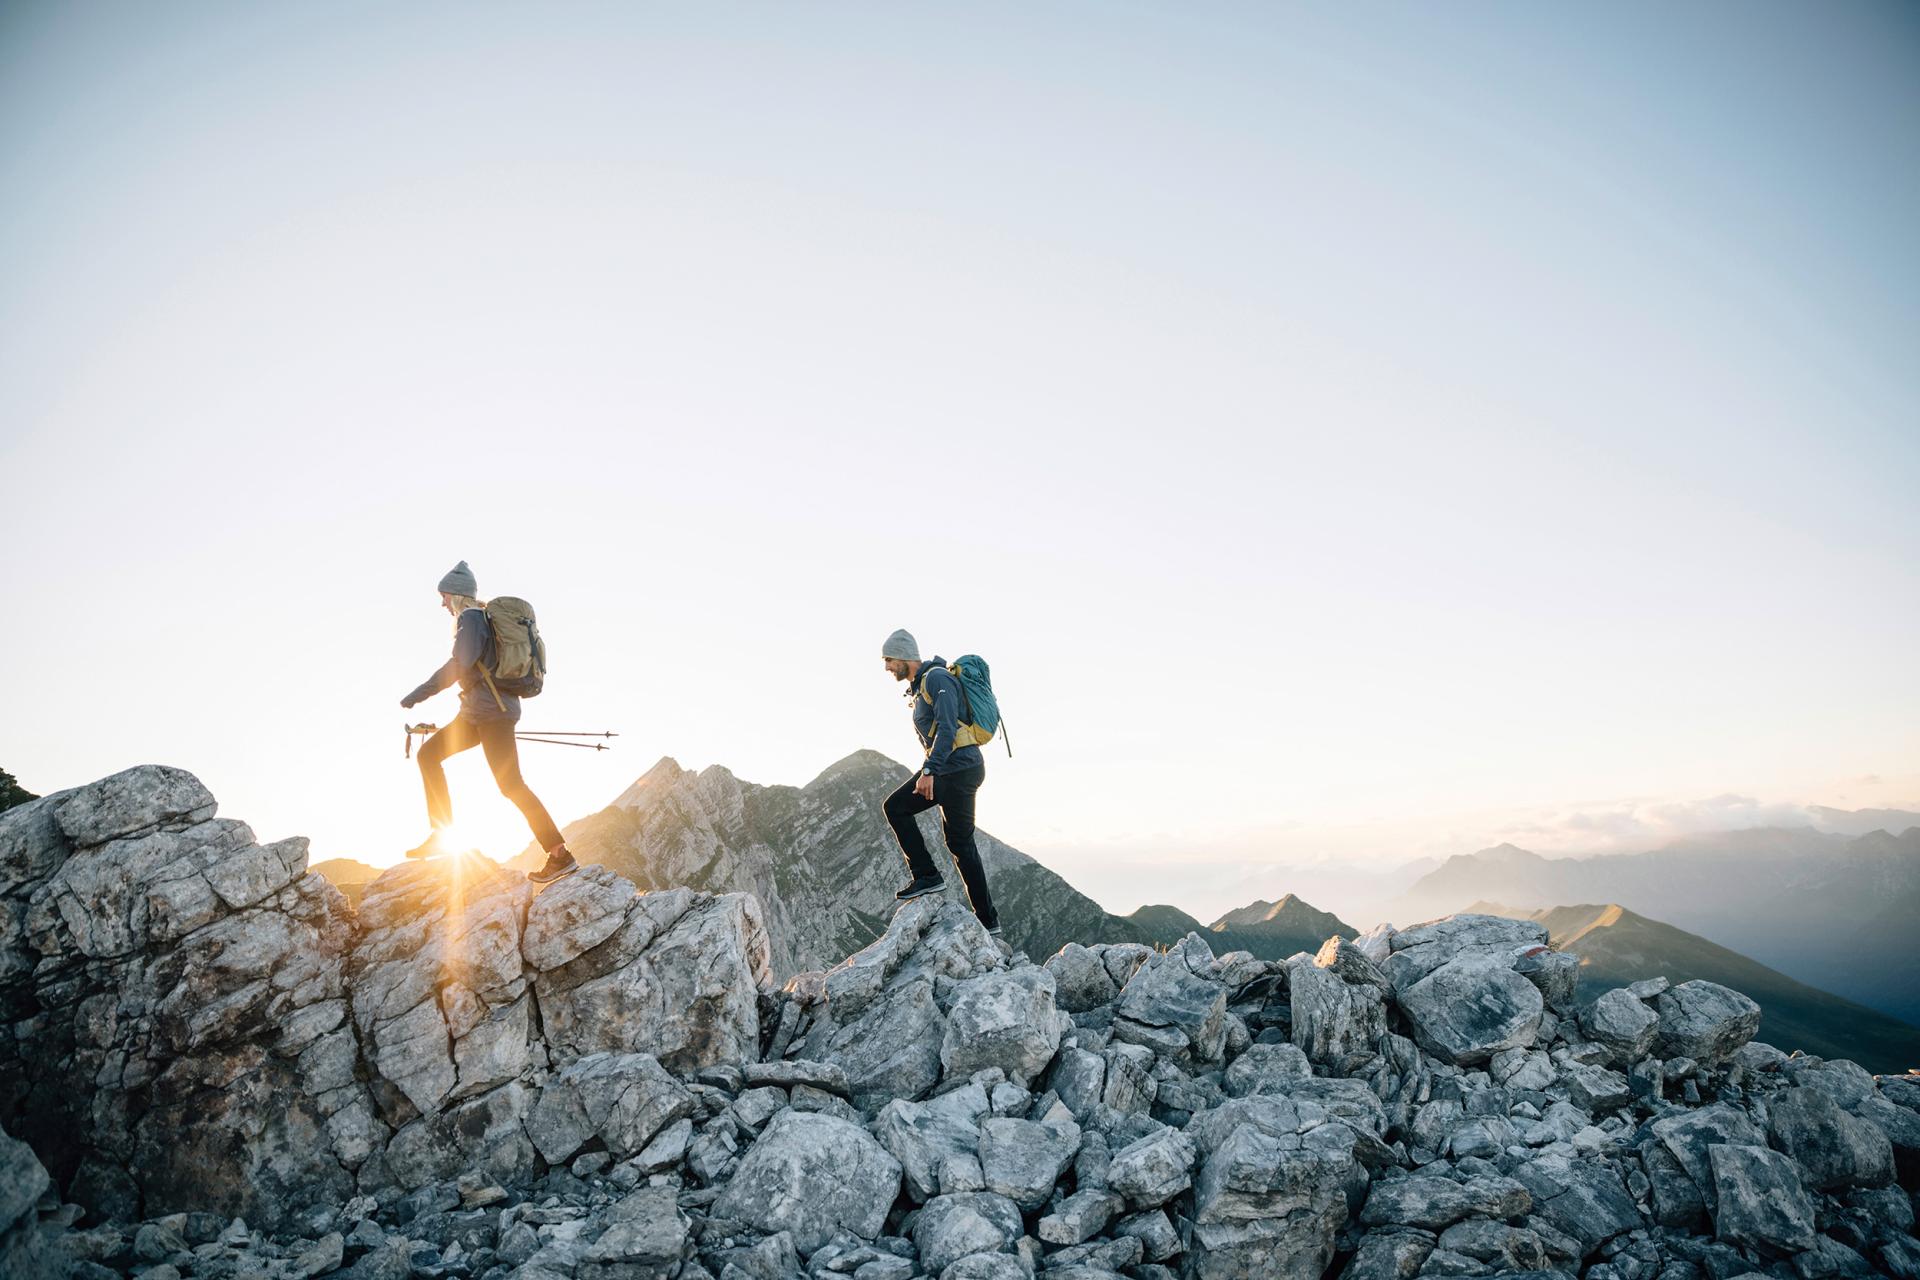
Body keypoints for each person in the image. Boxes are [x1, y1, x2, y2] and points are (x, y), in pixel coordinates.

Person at [400, 561, 578, 884]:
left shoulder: (470, 619)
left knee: (511, 784)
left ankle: (560, 855)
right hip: (479, 714)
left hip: (491, 714)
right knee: (429, 757)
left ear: (455, 595)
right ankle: (442, 834)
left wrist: (418, 693)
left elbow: (458, 666)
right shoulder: (477, 621)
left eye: (443, 596)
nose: (441, 604)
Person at [880, 628, 1000, 936]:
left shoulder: (936, 679)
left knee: (895, 807)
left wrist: (929, 770)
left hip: (956, 769)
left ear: (906, 656)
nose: (887, 668)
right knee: (960, 843)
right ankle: (988, 921)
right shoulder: (922, 687)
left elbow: (947, 727)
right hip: (958, 768)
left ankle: (927, 875)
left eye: (889, 660)